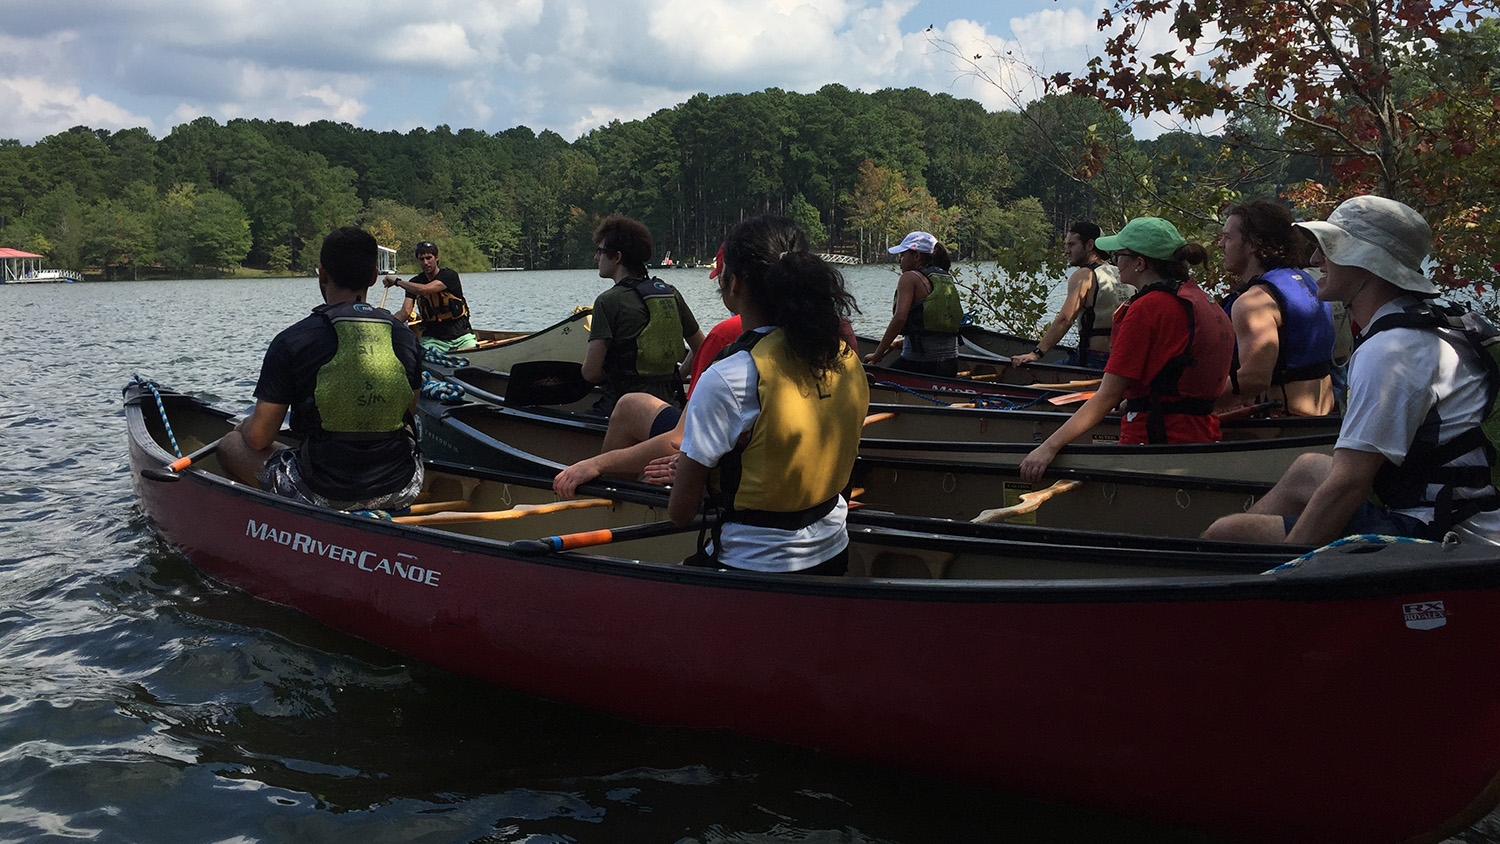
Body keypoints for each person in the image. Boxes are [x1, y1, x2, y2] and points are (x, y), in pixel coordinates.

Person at [1203, 195, 1500, 546]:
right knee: (1308, 468)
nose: (1314, 259)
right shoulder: (1441, 322)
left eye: (1328, 248)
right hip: (1472, 510)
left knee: (1225, 533)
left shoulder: (1390, 350)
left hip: (1443, 532)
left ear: (1364, 261)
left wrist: (1288, 565)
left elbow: (1350, 483)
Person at [666, 215, 870, 575]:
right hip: (834, 550)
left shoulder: (730, 376)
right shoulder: (845, 357)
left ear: (734, 285)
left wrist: (691, 470)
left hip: (756, 565)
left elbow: (680, 513)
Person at [220, 226, 423, 510]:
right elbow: (405, 414)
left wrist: (242, 428)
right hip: (402, 484)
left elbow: (258, 438)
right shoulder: (405, 338)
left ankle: (278, 528)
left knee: (230, 445)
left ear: (322, 273)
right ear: (374, 277)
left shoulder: (292, 340)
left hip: (323, 491)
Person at [1018, 217, 1234, 482]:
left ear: (1140, 263)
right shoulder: (1200, 298)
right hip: (1203, 434)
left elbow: (1106, 396)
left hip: (1154, 440)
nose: (1115, 261)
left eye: (1120, 255)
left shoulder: (1146, 309)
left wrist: (1047, 448)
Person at [1213, 200, 1337, 417]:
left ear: (1253, 244)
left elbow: (1254, 379)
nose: (1220, 244)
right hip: (1323, 418)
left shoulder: (1254, 302)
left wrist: (1192, 406)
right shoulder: (1307, 282)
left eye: (1228, 237)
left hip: (1280, 425)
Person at [582, 214, 705, 416]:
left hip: (625, 410)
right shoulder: (670, 292)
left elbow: (591, 373)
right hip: (669, 406)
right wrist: (678, 376)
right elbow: (701, 346)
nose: (597, 258)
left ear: (617, 257)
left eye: (601, 251)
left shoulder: (608, 301)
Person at [1010, 221, 1130, 369]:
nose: (1067, 251)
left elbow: (1065, 319)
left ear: (1090, 245)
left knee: (1038, 378)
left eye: (1072, 245)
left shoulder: (1084, 275)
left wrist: (1036, 353)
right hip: (1122, 358)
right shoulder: (1120, 272)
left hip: (1093, 360)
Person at [863, 231, 963, 377]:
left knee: (876, 380)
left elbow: (900, 319)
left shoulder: (909, 278)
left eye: (903, 255)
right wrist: (900, 343)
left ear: (916, 256)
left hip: (920, 363)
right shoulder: (943, 277)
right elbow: (934, 329)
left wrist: (877, 354)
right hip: (950, 364)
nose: (899, 261)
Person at [383, 241, 477, 352]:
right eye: (421, 259)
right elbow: (405, 312)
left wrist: (397, 282)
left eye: (429, 258)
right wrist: (386, 324)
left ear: (436, 258)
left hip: (461, 335)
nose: (426, 263)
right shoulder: (415, 282)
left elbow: (425, 290)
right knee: (425, 353)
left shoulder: (449, 276)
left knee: (473, 350)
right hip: (433, 339)